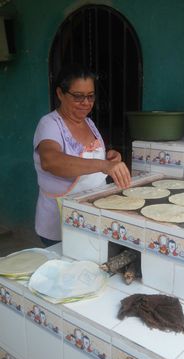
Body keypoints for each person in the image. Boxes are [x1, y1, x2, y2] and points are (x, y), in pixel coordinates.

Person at [33, 64, 131, 247]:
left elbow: (90, 160)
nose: (86, 103)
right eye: (78, 96)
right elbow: (51, 161)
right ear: (60, 94)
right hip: (61, 219)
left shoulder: (89, 123)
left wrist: (109, 158)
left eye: (90, 96)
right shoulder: (49, 124)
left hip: (93, 214)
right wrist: (103, 166)